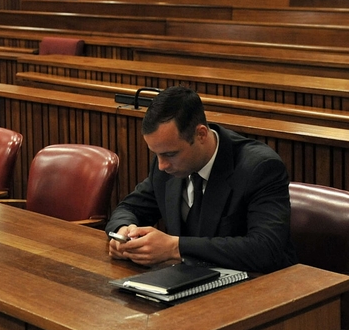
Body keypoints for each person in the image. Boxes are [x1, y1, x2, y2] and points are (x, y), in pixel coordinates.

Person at [106, 86, 297, 273]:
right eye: (157, 154)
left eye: (170, 154)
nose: (162, 165)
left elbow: (266, 248)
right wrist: (123, 232)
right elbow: (129, 208)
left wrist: (175, 247)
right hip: (190, 281)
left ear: (201, 134)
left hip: (258, 288)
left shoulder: (259, 167)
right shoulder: (165, 165)